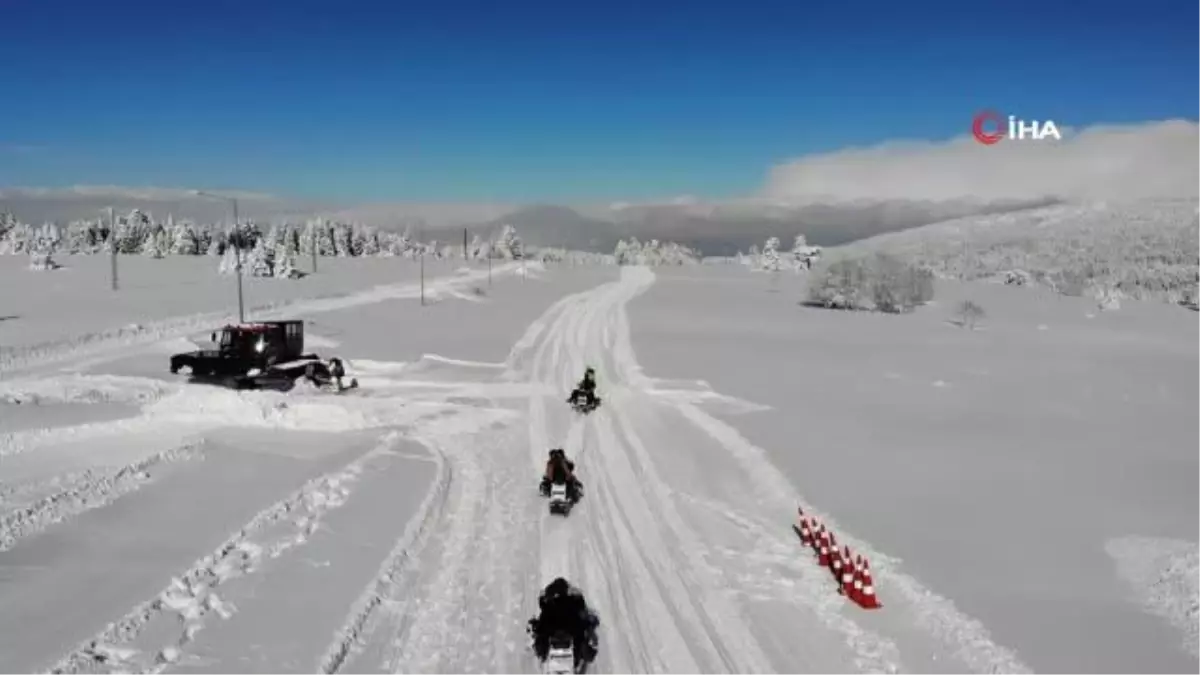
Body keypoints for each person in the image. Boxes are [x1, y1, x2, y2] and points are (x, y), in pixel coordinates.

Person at [527, 577, 599, 664]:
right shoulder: (571, 603)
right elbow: (584, 618)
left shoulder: (548, 605)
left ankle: (541, 652)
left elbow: (540, 625)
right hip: (568, 640)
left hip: (559, 640)